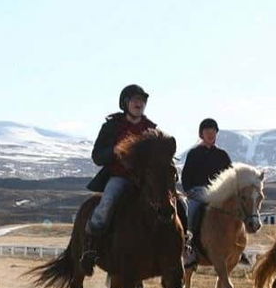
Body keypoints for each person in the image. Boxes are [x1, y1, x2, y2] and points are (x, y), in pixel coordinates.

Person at [81, 84, 187, 276]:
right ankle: (90, 249)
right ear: (125, 103)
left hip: (149, 182)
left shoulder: (151, 128)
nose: (139, 103)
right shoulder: (111, 127)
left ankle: (183, 247)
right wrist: (112, 151)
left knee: (180, 204)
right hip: (120, 178)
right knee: (107, 203)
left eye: (142, 100)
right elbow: (97, 156)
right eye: (135, 100)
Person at [180, 118, 232, 266]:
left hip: (218, 195)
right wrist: (189, 191)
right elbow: (186, 176)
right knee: (190, 213)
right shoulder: (193, 154)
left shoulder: (222, 155)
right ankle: (188, 247)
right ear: (201, 134)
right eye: (207, 132)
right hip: (197, 193)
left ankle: (236, 244)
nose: (210, 134)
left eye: (213, 132)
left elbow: (230, 175)